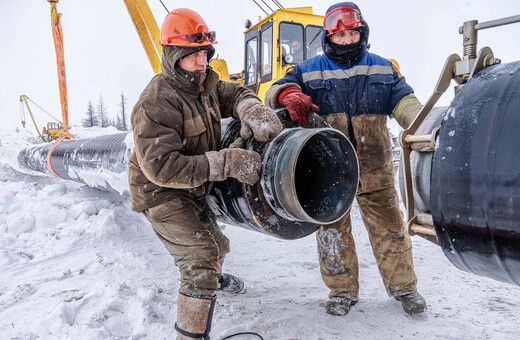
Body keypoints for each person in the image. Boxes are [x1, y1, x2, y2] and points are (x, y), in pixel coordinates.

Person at [128, 8, 283, 339]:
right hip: (161, 191)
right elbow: (160, 167)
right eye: (193, 54)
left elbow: (233, 93)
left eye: (205, 53)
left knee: (217, 244)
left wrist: (252, 108)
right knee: (200, 257)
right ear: (174, 55)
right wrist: (225, 163)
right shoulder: (156, 102)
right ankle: (190, 332)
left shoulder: (206, 83)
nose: (202, 61)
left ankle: (211, 279)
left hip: (194, 184)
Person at [265, 2, 427, 316]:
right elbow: (276, 89)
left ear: (361, 32)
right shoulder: (309, 69)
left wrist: (422, 125)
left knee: (391, 231)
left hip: (374, 169)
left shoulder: (382, 67)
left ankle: (405, 289)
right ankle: (341, 292)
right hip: (330, 172)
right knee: (332, 234)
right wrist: (288, 95)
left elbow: (405, 101)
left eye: (352, 33)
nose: (347, 40)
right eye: (340, 36)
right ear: (328, 37)